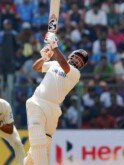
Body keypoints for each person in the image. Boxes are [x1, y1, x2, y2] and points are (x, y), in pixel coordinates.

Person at [24, 32, 89, 164]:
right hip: (37, 102)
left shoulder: (75, 74)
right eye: (76, 57)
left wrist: (54, 46)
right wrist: (45, 57)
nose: (77, 60)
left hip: (53, 109)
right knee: (38, 140)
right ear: (71, 55)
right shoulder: (54, 64)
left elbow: (65, 66)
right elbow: (36, 67)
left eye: (80, 61)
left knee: (44, 143)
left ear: (81, 66)